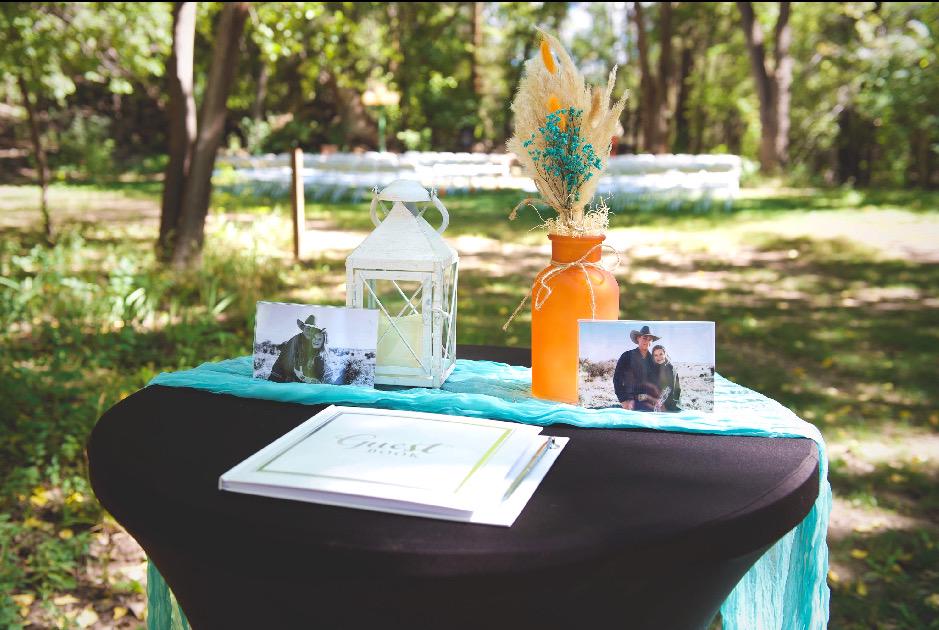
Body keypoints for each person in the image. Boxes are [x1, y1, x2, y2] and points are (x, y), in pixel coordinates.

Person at [612, 325, 660, 411]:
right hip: (630, 402)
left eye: (650, 339)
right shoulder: (626, 356)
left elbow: (657, 383)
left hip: (649, 403)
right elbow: (617, 379)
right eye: (645, 338)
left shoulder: (654, 360)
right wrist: (624, 400)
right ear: (638, 338)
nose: (647, 341)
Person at [269, 314, 328, 384]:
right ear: (303, 328)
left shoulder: (313, 343)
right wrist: (291, 377)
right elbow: (288, 360)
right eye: (307, 328)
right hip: (279, 376)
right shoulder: (296, 340)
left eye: (311, 329)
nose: (309, 331)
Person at [651, 345, 682, 412]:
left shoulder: (670, 368)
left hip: (672, 405)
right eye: (656, 355)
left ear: (665, 354)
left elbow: (669, 388)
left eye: (661, 354)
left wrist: (659, 403)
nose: (659, 357)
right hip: (661, 403)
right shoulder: (656, 368)